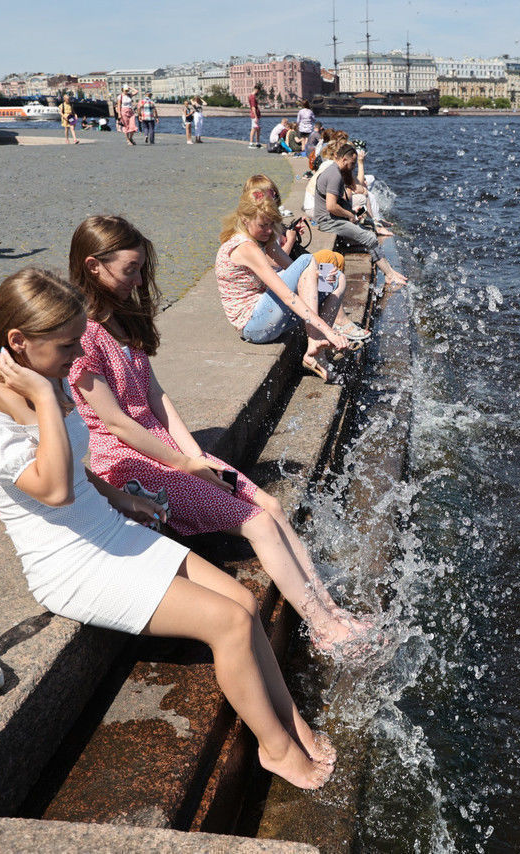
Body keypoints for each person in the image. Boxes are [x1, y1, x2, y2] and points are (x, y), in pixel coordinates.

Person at [0, 268, 335, 790]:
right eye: (65, 345)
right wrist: (43, 397)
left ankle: (291, 720)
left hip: (111, 530)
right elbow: (54, 488)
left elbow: (79, 474)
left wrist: (120, 496)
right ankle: (276, 748)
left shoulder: (46, 374)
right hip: (71, 565)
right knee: (227, 623)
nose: (74, 356)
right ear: (18, 340)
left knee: (243, 604)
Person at [64, 215, 372, 651]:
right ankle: (323, 630)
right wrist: (185, 464)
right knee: (259, 523)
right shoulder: (82, 338)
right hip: (128, 462)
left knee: (270, 503)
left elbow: (156, 398)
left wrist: (197, 457)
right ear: (94, 266)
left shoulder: (123, 319)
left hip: (165, 449)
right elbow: (116, 423)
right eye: (130, 269)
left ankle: (329, 608)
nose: (137, 280)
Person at [217, 185, 365, 383]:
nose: (269, 231)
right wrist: (329, 331)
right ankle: (315, 341)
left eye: (271, 225)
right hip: (253, 325)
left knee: (336, 277)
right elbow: (287, 294)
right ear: (245, 220)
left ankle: (317, 354)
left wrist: (321, 278)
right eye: (263, 225)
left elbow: (294, 269)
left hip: (267, 316)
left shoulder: (262, 238)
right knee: (307, 260)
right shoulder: (245, 247)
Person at [313, 143, 408, 288]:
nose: (353, 167)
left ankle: (390, 271)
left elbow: (350, 190)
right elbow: (331, 206)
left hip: (332, 219)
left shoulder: (336, 171)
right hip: (329, 221)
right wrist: (350, 215)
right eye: (352, 163)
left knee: (368, 230)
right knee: (370, 238)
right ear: (344, 159)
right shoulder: (334, 175)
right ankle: (389, 275)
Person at [247, 83, 262, 148]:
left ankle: (257, 143)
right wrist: (256, 117)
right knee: (254, 128)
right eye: (258, 91)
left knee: (258, 129)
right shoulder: (252, 97)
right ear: (257, 90)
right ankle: (251, 143)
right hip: (254, 115)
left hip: (256, 114)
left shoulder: (251, 96)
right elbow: (253, 107)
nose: (258, 92)